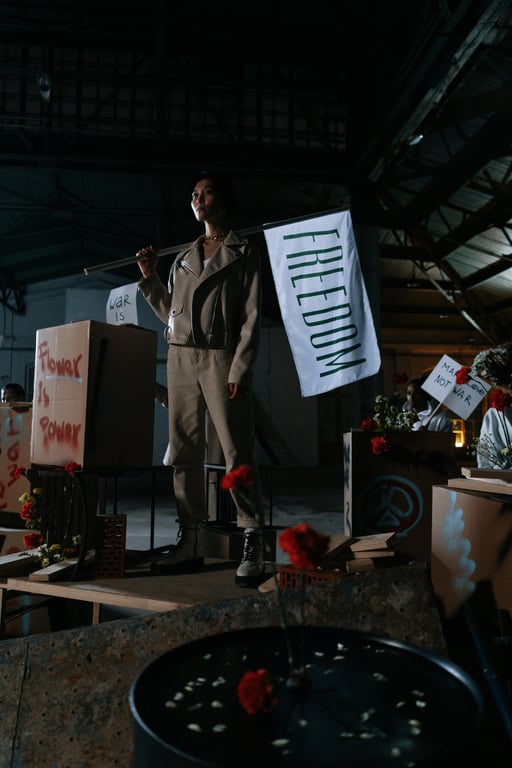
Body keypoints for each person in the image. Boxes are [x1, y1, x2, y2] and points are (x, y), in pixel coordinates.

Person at [136, 172, 264, 586]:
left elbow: (251, 317)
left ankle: (251, 535)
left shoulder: (243, 251)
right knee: (184, 451)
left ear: (223, 201)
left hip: (221, 358)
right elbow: (172, 317)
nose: (197, 197)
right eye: (193, 193)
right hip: (180, 359)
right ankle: (189, 538)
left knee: (234, 450)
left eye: (206, 191)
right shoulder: (182, 257)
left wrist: (240, 368)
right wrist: (150, 276)